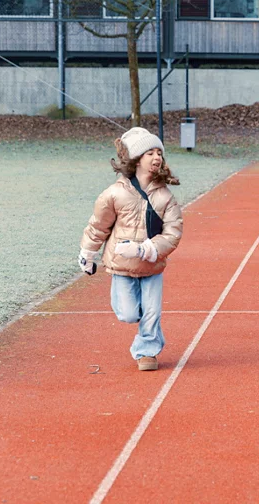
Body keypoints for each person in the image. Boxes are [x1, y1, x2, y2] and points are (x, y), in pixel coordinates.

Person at [78, 127, 184, 370]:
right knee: (128, 314)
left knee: (152, 312)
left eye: (159, 153)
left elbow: (173, 233)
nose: (157, 157)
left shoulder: (165, 197)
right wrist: (87, 252)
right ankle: (144, 333)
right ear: (137, 159)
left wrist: (144, 249)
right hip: (122, 266)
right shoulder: (114, 193)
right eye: (150, 153)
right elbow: (98, 227)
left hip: (152, 264)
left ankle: (146, 351)